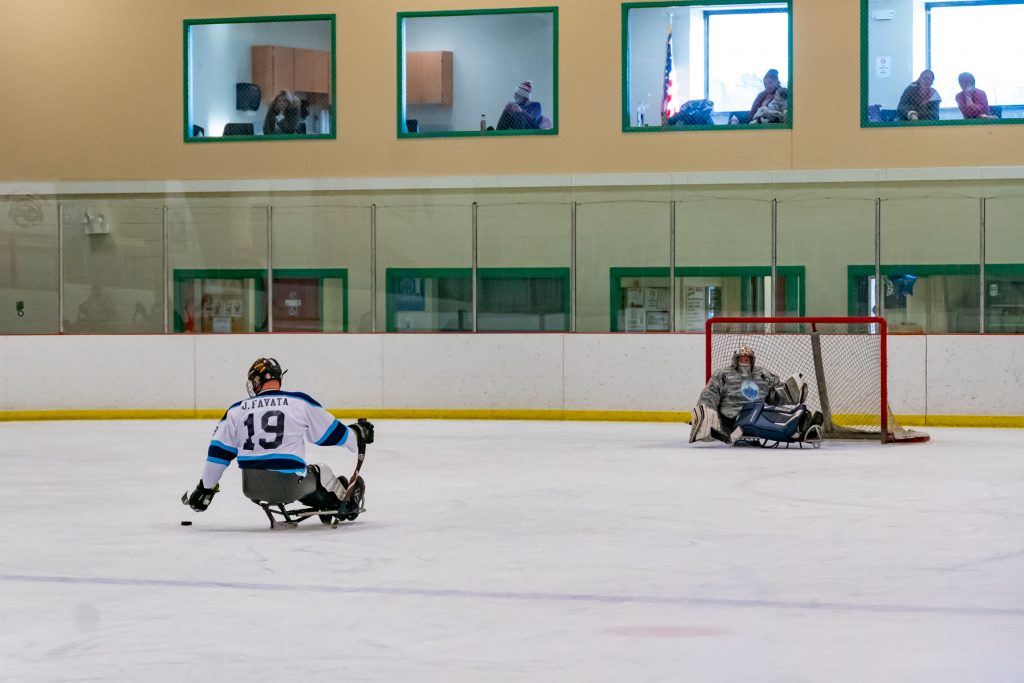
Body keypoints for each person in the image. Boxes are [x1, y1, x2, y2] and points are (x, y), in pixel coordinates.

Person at [184, 358, 374, 520]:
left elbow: (218, 454)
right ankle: (346, 505)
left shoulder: (236, 410)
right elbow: (333, 433)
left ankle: (326, 501)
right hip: (289, 486)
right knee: (321, 472)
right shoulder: (299, 402)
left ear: (256, 381)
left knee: (303, 475)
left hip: (252, 488)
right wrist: (357, 434)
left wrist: (205, 490)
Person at [689, 344, 819, 445]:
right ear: (735, 359)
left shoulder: (762, 373)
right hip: (732, 420)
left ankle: (803, 422)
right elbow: (710, 393)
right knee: (759, 417)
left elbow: (772, 396)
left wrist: (788, 393)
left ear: (752, 360)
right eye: (741, 358)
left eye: (747, 358)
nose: (744, 360)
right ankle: (798, 430)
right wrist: (706, 408)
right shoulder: (722, 374)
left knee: (769, 412)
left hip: (758, 412)